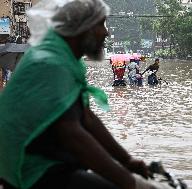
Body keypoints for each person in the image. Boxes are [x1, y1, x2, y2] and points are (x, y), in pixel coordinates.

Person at [0, 1, 171, 189]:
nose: (106, 32)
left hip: (47, 157)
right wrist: (131, 182)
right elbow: (73, 136)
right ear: (80, 29)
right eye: (99, 24)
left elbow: (87, 118)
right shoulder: (50, 62)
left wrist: (127, 160)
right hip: (29, 170)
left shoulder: (66, 59)